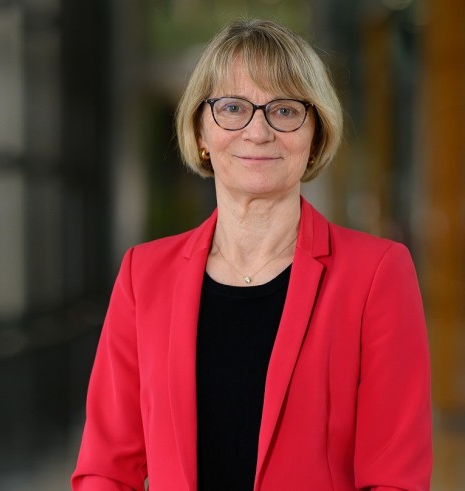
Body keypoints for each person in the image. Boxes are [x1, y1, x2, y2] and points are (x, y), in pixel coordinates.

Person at [71, 18, 432, 491]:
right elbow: (106, 467)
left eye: (284, 110)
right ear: (201, 131)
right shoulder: (144, 275)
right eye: (232, 107)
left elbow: (395, 477)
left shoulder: (376, 273)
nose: (258, 132)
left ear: (315, 134)